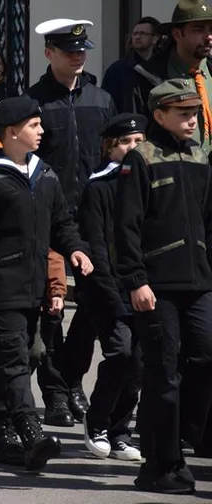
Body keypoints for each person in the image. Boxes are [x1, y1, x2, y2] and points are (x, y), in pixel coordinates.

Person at [0, 96, 92, 472]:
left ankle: (3, 439)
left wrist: (74, 249)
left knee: (22, 358)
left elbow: (63, 223)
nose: (41, 131)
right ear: (12, 133)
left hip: (33, 287)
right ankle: (31, 432)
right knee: (12, 361)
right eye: (34, 126)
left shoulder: (45, 175)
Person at [115, 79, 212, 495]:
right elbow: (126, 227)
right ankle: (160, 462)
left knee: (206, 358)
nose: (191, 119)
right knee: (163, 374)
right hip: (157, 285)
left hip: (200, 281)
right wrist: (136, 280)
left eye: (194, 112)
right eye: (182, 113)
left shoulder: (201, 156)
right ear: (159, 115)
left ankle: (187, 439)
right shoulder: (140, 159)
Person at [27, 18, 116, 428]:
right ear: (49, 54)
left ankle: (71, 377)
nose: (78, 56)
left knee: (95, 303)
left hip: (95, 218)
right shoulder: (36, 102)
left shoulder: (101, 98)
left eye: (82, 50)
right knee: (51, 307)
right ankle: (54, 394)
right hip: (48, 217)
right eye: (68, 50)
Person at [77, 113, 146, 464]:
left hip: (145, 289)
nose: (134, 148)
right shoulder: (99, 187)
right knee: (120, 354)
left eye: (139, 141)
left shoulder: (148, 183)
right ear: (110, 147)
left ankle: (121, 431)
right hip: (109, 289)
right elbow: (96, 246)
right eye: (126, 142)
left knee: (138, 364)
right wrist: (112, 291)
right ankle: (98, 422)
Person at [132, 0, 212, 151]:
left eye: (211, 30)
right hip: (169, 169)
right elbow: (135, 135)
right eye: (199, 29)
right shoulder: (148, 77)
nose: (208, 37)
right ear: (177, 34)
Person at [103, 17, 159, 112]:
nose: (137, 37)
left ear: (154, 39)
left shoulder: (163, 67)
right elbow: (107, 102)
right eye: (135, 33)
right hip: (128, 124)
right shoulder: (117, 69)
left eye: (143, 33)